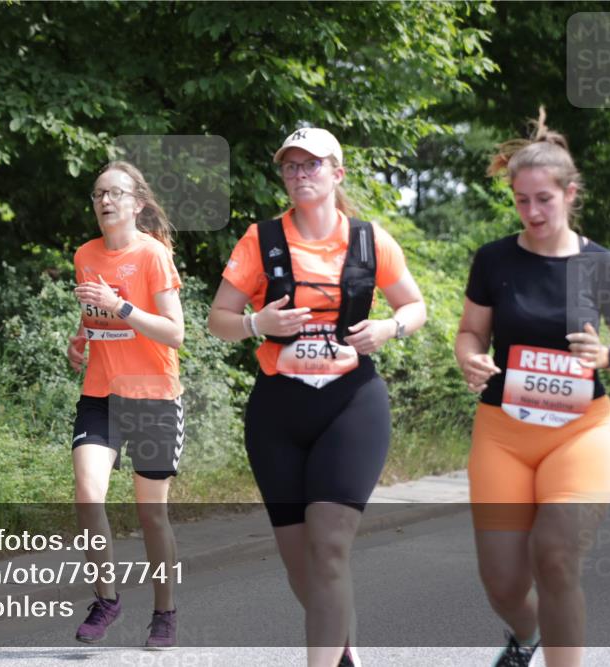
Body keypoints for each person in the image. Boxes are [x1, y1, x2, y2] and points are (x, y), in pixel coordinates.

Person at [207, 128, 426, 667]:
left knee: (329, 548)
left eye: (313, 165)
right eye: (291, 166)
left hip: (352, 404)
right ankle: (342, 651)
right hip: (278, 411)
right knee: (299, 562)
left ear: (337, 173)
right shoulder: (260, 241)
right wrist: (259, 321)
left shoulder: (371, 241)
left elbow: (415, 306)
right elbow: (218, 322)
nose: (301, 175)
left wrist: (389, 328)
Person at [455, 108, 610, 667]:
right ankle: (525, 634)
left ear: (569, 193)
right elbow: (469, 333)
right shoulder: (494, 260)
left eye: (544, 199)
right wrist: (471, 360)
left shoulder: (602, 266)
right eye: (522, 200)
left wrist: (607, 354)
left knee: (555, 556)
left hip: (578, 433)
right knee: (503, 582)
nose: (532, 211)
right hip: (504, 433)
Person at [67, 161, 185, 649]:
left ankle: (164, 613)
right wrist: (79, 341)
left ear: (136, 203)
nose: (104, 201)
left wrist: (122, 308)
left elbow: (175, 333)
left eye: (114, 193)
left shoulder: (153, 255)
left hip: (154, 396)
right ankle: (107, 599)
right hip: (101, 394)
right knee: (87, 493)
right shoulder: (85, 254)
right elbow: (92, 316)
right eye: (97, 194)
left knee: (150, 515)